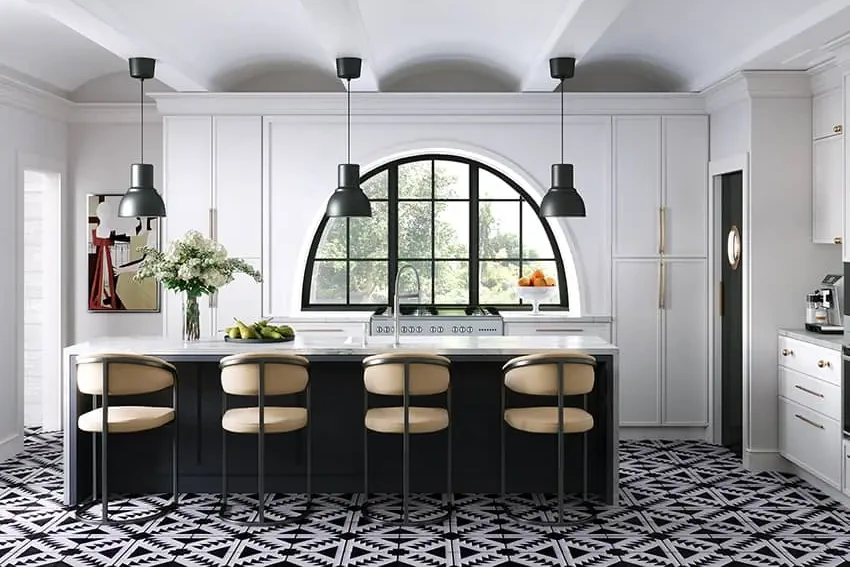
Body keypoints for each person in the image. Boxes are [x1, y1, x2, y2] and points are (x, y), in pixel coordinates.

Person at [88, 199, 128, 310]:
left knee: (108, 279)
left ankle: (108, 299)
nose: (105, 215)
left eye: (107, 212)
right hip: (99, 259)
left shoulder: (111, 230)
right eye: (102, 212)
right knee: (99, 278)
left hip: (110, 257)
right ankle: (100, 298)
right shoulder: (95, 231)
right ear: (98, 214)